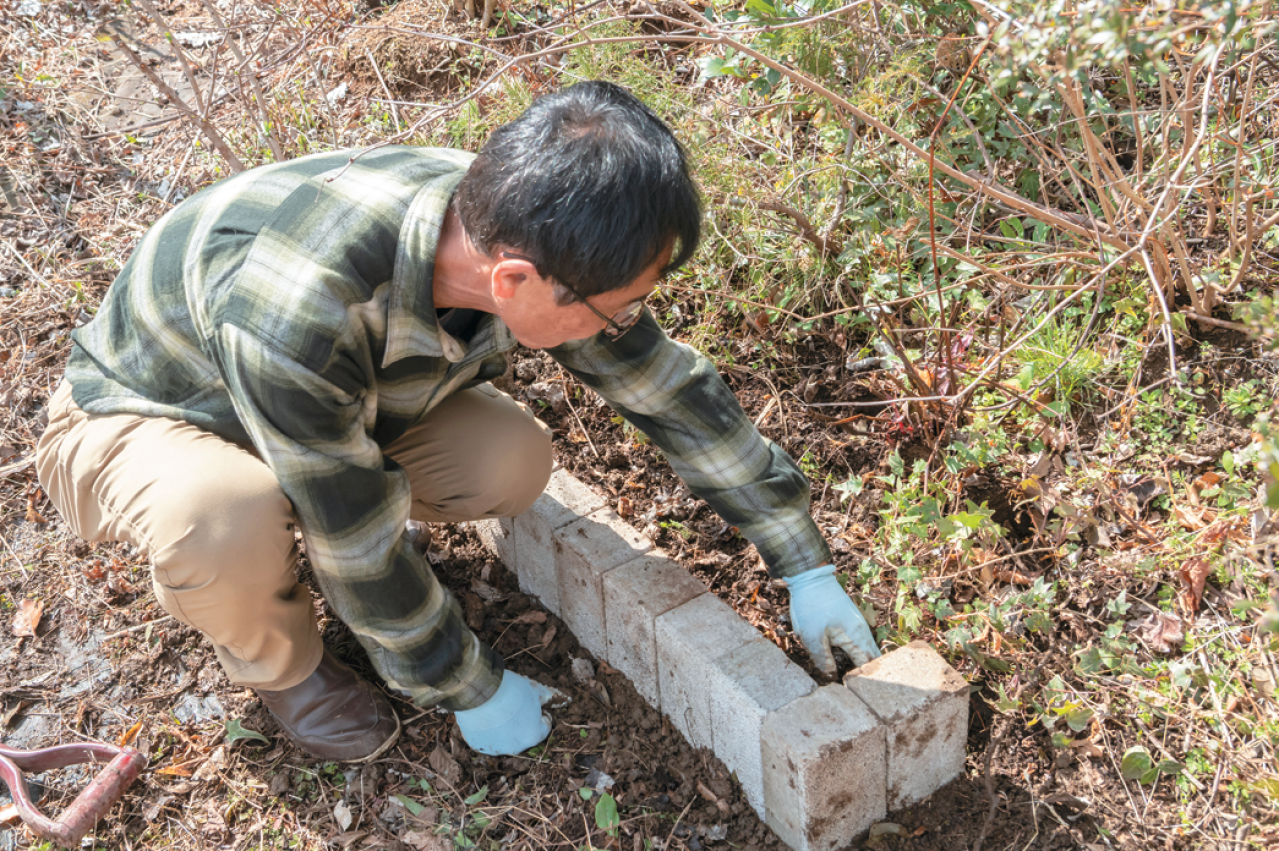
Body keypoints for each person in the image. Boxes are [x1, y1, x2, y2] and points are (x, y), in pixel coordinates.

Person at [34, 81, 879, 762]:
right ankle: (279, 662)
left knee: (509, 460)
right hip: (150, 412)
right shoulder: (296, 309)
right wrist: (465, 683)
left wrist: (801, 562)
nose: (626, 324)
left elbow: (663, 386)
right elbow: (356, 540)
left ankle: (305, 515)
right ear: (513, 281)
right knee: (223, 519)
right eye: (617, 310)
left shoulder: (522, 221)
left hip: (321, 401)